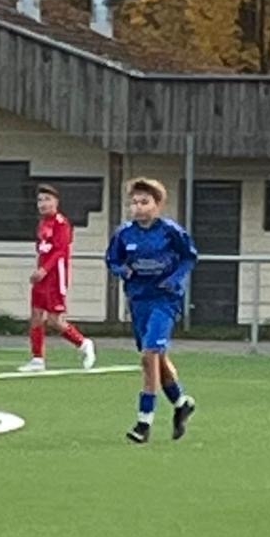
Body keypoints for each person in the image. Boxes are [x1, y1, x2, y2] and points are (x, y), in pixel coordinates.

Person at [105, 177, 198, 445]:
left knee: (149, 356)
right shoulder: (124, 234)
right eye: (134, 203)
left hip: (164, 300)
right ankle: (181, 403)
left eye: (144, 202)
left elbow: (189, 257)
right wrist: (122, 270)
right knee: (156, 357)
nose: (138, 207)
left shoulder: (170, 231)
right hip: (139, 300)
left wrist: (174, 279)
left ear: (158, 205)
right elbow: (112, 259)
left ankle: (143, 423)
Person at [20, 183, 97, 373]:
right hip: (42, 277)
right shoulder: (42, 223)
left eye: (47, 199)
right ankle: (37, 358)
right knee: (36, 316)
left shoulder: (62, 224)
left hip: (55, 277)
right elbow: (43, 249)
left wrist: (44, 270)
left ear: (56, 202)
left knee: (54, 321)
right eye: (40, 200)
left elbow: (60, 251)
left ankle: (83, 343)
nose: (42, 204)